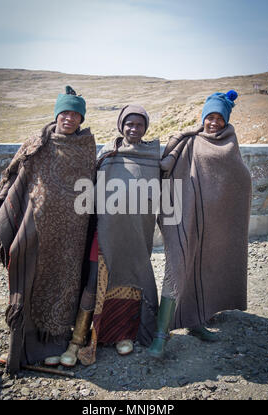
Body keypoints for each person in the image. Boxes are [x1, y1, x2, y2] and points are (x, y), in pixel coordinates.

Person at [0, 86, 96, 373]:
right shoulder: (38, 142)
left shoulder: (85, 147)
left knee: (64, 284)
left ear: (81, 119)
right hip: (37, 224)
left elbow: (90, 188)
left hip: (72, 233)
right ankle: (21, 346)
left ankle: (56, 345)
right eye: (65, 112)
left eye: (76, 114)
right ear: (57, 114)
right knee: (31, 281)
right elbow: (18, 173)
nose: (70, 118)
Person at [148, 90, 252, 359]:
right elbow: (168, 171)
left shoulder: (231, 143)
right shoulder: (189, 142)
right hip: (183, 216)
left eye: (219, 118)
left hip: (213, 222)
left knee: (203, 267)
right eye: (210, 117)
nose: (214, 122)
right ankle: (161, 335)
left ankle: (195, 322)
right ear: (203, 118)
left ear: (225, 120)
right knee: (177, 267)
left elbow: (238, 177)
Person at [63, 105, 160, 367]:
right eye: (129, 124)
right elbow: (86, 187)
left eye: (139, 125)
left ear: (145, 128)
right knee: (93, 282)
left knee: (128, 281)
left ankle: (121, 334)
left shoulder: (154, 156)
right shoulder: (107, 154)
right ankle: (78, 339)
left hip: (136, 234)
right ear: (121, 126)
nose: (134, 129)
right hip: (105, 230)